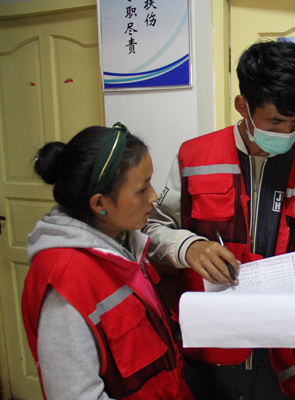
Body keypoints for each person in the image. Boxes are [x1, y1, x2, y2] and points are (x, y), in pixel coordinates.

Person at [143, 40, 295, 399]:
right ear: (243, 106)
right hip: (205, 353)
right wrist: (189, 248)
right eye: (275, 121)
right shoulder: (194, 157)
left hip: (280, 359)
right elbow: (151, 230)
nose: (286, 133)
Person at [21, 123, 193, 400]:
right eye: (142, 189)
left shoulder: (124, 242)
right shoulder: (65, 282)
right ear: (100, 203)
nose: (153, 197)